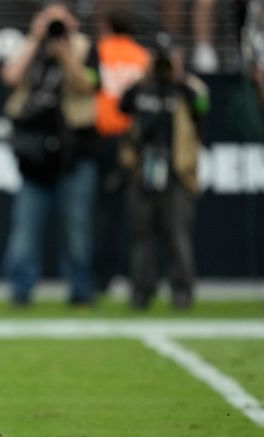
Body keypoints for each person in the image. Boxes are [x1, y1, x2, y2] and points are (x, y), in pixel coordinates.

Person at [1, 1, 101, 306]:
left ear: (73, 22)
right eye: (50, 22)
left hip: (75, 151)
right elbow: (10, 77)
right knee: (25, 230)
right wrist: (35, 39)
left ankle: (81, 290)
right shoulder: (31, 47)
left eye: (61, 22)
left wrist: (66, 55)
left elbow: (90, 85)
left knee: (77, 229)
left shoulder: (85, 47)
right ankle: (21, 290)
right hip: (35, 154)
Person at [118, 32, 209, 310]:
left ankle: (182, 293)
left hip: (177, 171)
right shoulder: (142, 87)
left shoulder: (189, 87)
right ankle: (141, 292)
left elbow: (203, 108)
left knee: (177, 235)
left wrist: (179, 80)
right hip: (143, 169)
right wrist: (145, 77)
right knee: (141, 235)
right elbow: (123, 106)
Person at [92, 3, 151, 293]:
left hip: (103, 138)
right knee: (135, 210)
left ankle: (104, 276)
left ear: (108, 25)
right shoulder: (143, 56)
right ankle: (132, 273)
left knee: (104, 211)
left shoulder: (100, 51)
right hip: (135, 140)